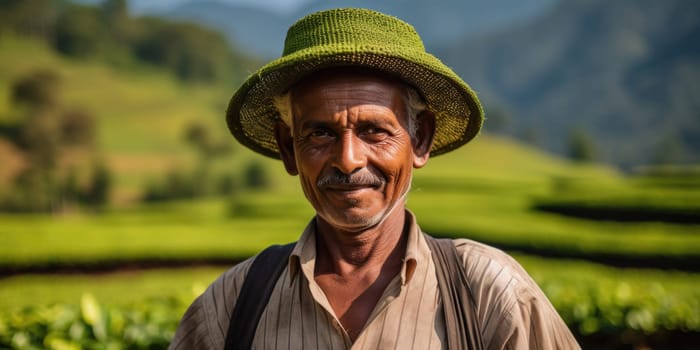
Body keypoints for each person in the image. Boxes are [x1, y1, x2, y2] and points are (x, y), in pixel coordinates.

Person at [170, 8, 580, 350]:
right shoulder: (233, 304)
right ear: (287, 147)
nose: (348, 160)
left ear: (420, 140)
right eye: (320, 133)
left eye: (374, 131)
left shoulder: (489, 295)